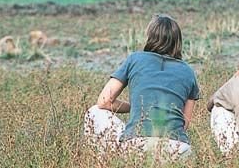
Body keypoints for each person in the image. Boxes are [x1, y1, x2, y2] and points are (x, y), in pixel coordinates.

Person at [84, 14, 200, 163]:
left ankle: (105, 164)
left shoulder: (135, 59)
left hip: (137, 145)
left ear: (150, 36)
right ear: (178, 41)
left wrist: (136, 107)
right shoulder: (188, 71)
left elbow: (104, 101)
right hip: (179, 149)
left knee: (94, 112)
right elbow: (184, 123)